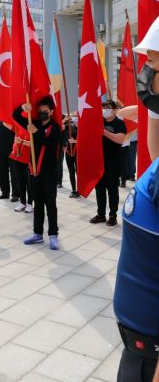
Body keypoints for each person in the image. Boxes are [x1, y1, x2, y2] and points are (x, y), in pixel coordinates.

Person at [114, 21, 159, 382]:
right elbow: (153, 151)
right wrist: (153, 112)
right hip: (139, 347)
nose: (146, 75)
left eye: (155, 67)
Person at [13, 96, 62, 250]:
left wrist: (37, 133)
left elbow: (51, 144)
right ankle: (37, 233)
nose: (42, 113)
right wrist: (23, 107)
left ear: (51, 111)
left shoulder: (55, 127)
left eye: (45, 111)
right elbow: (14, 116)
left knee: (50, 204)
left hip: (49, 171)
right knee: (37, 203)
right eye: (40, 111)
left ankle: (53, 234)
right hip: (34, 170)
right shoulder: (34, 123)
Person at [90, 100, 126, 227]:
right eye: (103, 107)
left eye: (108, 107)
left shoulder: (120, 123)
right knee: (99, 189)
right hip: (99, 162)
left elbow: (120, 139)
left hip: (113, 163)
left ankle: (113, 216)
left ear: (114, 110)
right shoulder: (99, 122)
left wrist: (104, 132)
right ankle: (100, 214)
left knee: (112, 190)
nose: (105, 109)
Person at [0, 121, 19, 202]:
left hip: (12, 148)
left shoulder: (13, 116)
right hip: (0, 148)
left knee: (14, 172)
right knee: (2, 171)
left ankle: (15, 194)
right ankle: (5, 192)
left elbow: (17, 131)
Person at [10, 128, 33, 213]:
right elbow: (7, 123)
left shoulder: (32, 127)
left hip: (28, 159)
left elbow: (35, 144)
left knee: (29, 182)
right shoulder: (18, 127)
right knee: (20, 181)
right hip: (17, 157)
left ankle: (30, 203)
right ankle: (23, 202)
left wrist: (22, 141)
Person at [65, 113, 79, 198]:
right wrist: (65, 119)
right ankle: (73, 189)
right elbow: (59, 126)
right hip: (68, 152)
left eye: (76, 117)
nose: (75, 118)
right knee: (71, 171)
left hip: (78, 152)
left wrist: (75, 141)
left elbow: (86, 140)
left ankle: (80, 189)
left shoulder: (83, 127)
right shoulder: (70, 126)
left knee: (78, 171)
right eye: (74, 117)